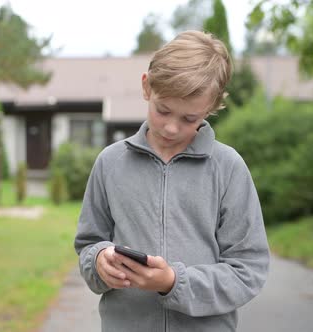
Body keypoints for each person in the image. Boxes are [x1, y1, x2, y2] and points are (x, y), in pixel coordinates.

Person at [74, 30, 270, 332]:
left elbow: (247, 271)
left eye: (189, 119)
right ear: (146, 87)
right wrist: (99, 261)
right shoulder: (110, 163)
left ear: (211, 107)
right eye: (162, 110)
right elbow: (88, 244)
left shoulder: (228, 168)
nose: (171, 127)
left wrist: (175, 283)